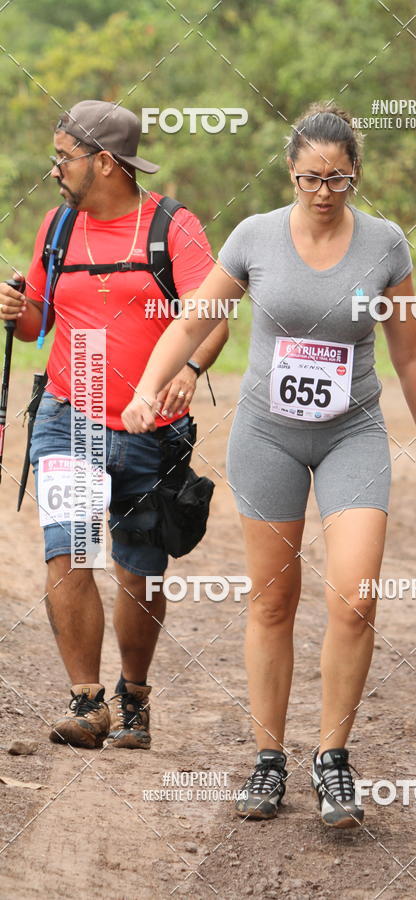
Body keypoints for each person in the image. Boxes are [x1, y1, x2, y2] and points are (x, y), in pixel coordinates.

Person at [122, 103, 416, 827]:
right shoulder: (255, 237)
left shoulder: (386, 245)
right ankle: (268, 761)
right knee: (271, 601)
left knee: (355, 596)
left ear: (355, 174)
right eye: (309, 178)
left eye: (336, 179)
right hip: (268, 435)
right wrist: (148, 390)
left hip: (351, 434)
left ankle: (332, 760)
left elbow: (413, 351)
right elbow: (192, 319)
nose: (323, 191)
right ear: (291, 172)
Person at [0, 100, 227, 751]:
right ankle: (87, 700)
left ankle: (134, 694)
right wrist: (13, 308)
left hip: (149, 430)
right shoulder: (58, 227)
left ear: (104, 161)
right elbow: (35, 324)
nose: (54, 171)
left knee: (137, 569)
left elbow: (213, 318)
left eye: (62, 158)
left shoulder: (172, 227)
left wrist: (188, 371)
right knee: (68, 550)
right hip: (68, 416)